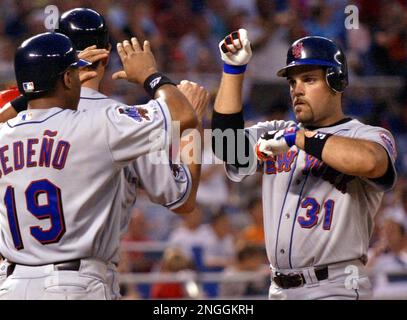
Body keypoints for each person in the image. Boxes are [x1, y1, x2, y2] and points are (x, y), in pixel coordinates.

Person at [0, 8, 210, 299]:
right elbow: (182, 198)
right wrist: (188, 121)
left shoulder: (7, 125)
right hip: (76, 283)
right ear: (106, 53)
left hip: (12, 282)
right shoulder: (112, 120)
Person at [211, 29, 398, 299]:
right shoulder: (278, 130)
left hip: (336, 286)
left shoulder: (366, 135)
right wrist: (232, 70)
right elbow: (226, 146)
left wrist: (296, 138)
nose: (296, 89)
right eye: (292, 82)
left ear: (336, 82)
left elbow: (371, 162)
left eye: (308, 79)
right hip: (279, 289)